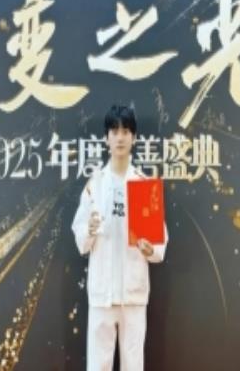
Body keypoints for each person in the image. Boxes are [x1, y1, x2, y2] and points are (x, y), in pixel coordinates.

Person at [71, 104, 168, 371]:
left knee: (133, 365)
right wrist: (89, 230)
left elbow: (160, 244)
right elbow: (80, 238)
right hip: (101, 295)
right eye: (114, 131)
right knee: (97, 366)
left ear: (134, 137)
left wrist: (149, 249)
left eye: (126, 131)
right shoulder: (94, 184)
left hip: (133, 295)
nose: (120, 137)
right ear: (106, 138)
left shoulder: (143, 184)